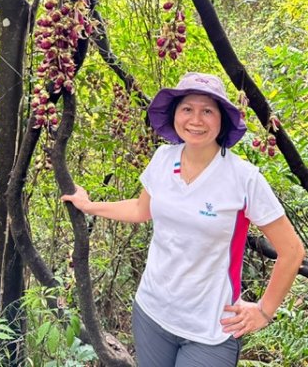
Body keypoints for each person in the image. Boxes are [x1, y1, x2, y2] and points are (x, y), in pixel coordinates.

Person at [61, 72, 305, 367]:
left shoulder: (244, 179)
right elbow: (141, 210)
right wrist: (90, 206)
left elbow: (292, 251)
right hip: (152, 313)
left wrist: (265, 311)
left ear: (222, 119)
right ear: (175, 114)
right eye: (187, 109)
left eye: (207, 111)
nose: (196, 120)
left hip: (211, 329)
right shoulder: (164, 158)